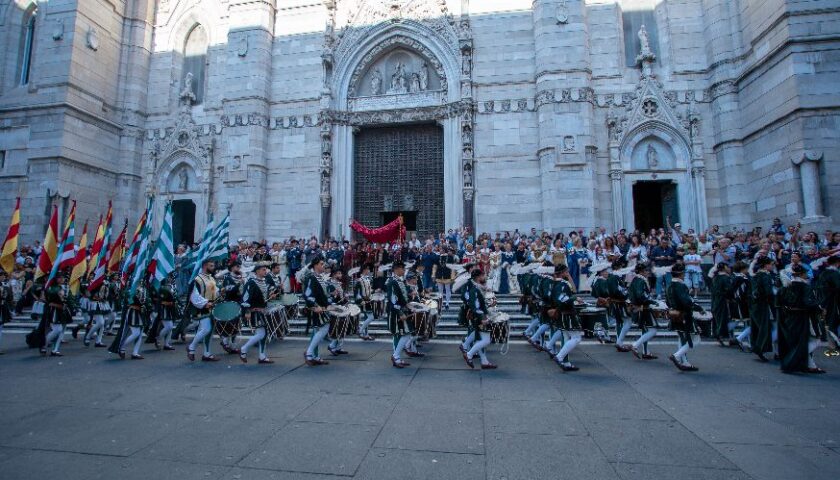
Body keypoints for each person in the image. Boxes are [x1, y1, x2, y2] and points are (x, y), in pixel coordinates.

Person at [778, 265, 825, 373]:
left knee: (796, 341)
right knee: (811, 340)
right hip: (802, 316)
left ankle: (810, 365)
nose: (807, 275)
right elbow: (808, 302)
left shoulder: (787, 286)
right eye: (805, 273)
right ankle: (790, 362)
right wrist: (819, 308)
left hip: (789, 316)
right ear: (802, 274)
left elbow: (781, 300)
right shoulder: (805, 287)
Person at [666, 263, 705, 371]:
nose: (684, 275)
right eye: (683, 273)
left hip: (675, 314)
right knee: (696, 339)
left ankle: (685, 362)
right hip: (685, 315)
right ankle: (677, 356)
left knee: (681, 337)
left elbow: (667, 302)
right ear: (681, 274)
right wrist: (699, 308)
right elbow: (686, 301)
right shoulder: (680, 285)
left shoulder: (669, 285)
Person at [239, 262, 275, 364]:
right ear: (257, 271)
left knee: (264, 333)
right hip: (254, 312)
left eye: (266, 269)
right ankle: (244, 349)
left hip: (262, 311)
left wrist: (270, 296)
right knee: (261, 334)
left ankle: (262, 356)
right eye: (263, 269)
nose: (265, 271)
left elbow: (263, 298)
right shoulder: (251, 282)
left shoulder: (264, 282)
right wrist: (247, 311)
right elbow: (245, 298)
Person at [462, 268, 497, 369]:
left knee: (479, 338)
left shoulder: (478, 288)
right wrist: (482, 318)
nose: (484, 277)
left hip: (479, 316)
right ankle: (469, 354)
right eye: (483, 275)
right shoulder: (475, 289)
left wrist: (489, 305)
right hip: (479, 317)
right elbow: (475, 306)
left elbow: (480, 304)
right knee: (486, 340)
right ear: (478, 277)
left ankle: (484, 361)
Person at [548, 265, 581, 371]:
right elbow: (563, 299)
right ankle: (559, 357)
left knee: (566, 338)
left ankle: (566, 362)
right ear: (562, 273)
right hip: (567, 314)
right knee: (576, 337)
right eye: (566, 271)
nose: (568, 273)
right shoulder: (562, 284)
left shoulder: (554, 283)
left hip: (562, 313)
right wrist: (574, 298)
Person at [187, 258, 221, 362]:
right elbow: (194, 295)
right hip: (202, 308)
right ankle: (191, 347)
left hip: (212, 307)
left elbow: (214, 291)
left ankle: (206, 354)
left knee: (209, 332)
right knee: (206, 329)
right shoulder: (197, 279)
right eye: (211, 266)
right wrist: (205, 303)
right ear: (205, 266)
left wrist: (221, 292)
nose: (213, 267)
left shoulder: (211, 278)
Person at [109, 280, 150, 360]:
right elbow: (129, 302)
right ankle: (121, 347)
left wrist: (146, 306)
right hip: (132, 312)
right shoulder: (130, 290)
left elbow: (145, 301)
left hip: (141, 313)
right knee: (136, 333)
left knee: (139, 334)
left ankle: (135, 352)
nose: (140, 281)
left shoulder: (143, 290)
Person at [303, 257, 332, 366]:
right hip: (316, 309)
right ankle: (309, 353)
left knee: (317, 332)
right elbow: (307, 294)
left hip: (322, 308)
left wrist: (330, 303)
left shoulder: (320, 277)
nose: (323, 266)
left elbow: (324, 294)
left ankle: (314, 356)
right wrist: (315, 306)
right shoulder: (311, 277)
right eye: (321, 264)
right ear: (315, 265)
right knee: (324, 328)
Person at [628, 263, 659, 360]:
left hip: (640, 307)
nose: (648, 272)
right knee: (653, 330)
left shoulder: (636, 279)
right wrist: (652, 301)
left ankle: (646, 351)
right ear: (641, 271)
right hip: (643, 308)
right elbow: (640, 295)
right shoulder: (640, 280)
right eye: (646, 270)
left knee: (645, 330)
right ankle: (635, 345)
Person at [750, 256, 776, 363]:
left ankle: (757, 346)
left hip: (755, 304)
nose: (772, 266)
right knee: (764, 327)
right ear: (766, 265)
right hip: (763, 304)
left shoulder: (756, 275)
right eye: (771, 264)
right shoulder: (765, 276)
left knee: (759, 327)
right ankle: (760, 348)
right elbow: (768, 292)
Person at [386, 261, 411, 368]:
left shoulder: (399, 281)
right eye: (402, 268)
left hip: (401, 310)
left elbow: (402, 297)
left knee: (400, 335)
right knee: (405, 334)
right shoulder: (392, 282)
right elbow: (393, 300)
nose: (404, 270)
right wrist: (400, 312)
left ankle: (397, 358)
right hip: (396, 313)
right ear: (396, 269)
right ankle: (396, 356)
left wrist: (409, 305)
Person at [145, 274, 178, 351]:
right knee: (169, 326)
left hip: (170, 309)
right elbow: (159, 299)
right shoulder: (161, 287)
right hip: (163, 309)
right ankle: (157, 338)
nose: (170, 278)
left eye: (170, 277)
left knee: (170, 327)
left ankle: (166, 344)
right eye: (168, 277)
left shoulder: (171, 286)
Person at [218, 261, 245, 354]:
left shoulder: (240, 277)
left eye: (239, 267)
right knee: (229, 325)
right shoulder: (228, 278)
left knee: (237, 325)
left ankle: (233, 346)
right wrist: (238, 284)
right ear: (232, 267)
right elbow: (229, 291)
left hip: (238, 303)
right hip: (230, 303)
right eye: (237, 266)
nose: (239, 269)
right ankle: (225, 342)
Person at [817, 256, 840, 355]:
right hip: (833, 300)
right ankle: (835, 344)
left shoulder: (823, 273)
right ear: (837, 263)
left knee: (825, 319)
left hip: (823, 300)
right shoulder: (834, 273)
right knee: (833, 321)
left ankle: (825, 338)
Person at [710, 263, 736, 346]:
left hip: (716, 300)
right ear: (725, 268)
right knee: (726, 318)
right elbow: (729, 290)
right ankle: (725, 336)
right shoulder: (725, 278)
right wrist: (731, 298)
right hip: (724, 301)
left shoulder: (715, 277)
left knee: (719, 318)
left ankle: (721, 335)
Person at [607, 259, 631, 351]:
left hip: (617, 302)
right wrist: (626, 295)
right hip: (618, 303)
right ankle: (619, 342)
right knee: (627, 322)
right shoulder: (614, 277)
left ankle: (619, 341)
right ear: (617, 267)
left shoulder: (614, 277)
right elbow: (616, 291)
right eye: (621, 267)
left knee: (621, 322)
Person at [83, 281, 112, 348]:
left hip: (103, 304)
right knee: (100, 323)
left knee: (102, 324)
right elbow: (89, 294)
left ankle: (98, 341)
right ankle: (88, 336)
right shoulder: (94, 282)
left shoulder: (105, 282)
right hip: (95, 304)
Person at [731, 261, 752, 351]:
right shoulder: (743, 279)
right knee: (750, 324)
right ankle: (740, 339)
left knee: (743, 323)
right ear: (743, 269)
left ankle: (744, 341)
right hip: (742, 303)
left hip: (737, 302)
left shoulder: (735, 277)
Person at [354, 263, 375, 341]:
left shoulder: (367, 279)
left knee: (368, 317)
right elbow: (357, 292)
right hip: (363, 301)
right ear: (364, 270)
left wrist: (373, 292)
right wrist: (360, 300)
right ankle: (360, 330)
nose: (369, 271)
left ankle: (366, 334)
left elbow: (368, 290)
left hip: (368, 300)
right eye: (368, 269)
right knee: (371, 317)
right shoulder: (359, 280)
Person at [0, 269, 13, 354]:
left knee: (0, 327)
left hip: (2, 307)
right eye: (1, 275)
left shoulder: (4, 286)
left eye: (3, 275)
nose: (3, 277)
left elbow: (8, 297)